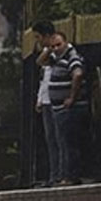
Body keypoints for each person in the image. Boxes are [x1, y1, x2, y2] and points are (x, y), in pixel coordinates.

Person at [47, 31, 88, 186]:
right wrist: (48, 51)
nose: (56, 48)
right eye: (53, 46)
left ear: (66, 43)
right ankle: (65, 175)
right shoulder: (56, 58)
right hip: (59, 109)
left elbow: (77, 74)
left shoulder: (72, 57)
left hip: (69, 110)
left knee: (68, 144)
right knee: (62, 143)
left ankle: (70, 176)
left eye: (59, 44)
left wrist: (72, 97)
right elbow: (40, 61)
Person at [31, 20, 59, 185]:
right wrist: (40, 98)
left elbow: (40, 62)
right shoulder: (49, 55)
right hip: (47, 100)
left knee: (57, 140)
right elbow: (44, 77)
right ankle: (53, 174)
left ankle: (58, 175)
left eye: (38, 37)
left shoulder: (56, 53)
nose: (38, 41)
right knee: (51, 140)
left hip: (56, 101)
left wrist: (49, 47)